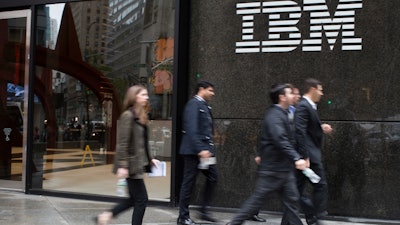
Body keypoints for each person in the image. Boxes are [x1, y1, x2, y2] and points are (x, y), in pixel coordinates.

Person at [226, 84, 307, 225]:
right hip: (273, 170)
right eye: (289, 93)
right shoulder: (274, 115)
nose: (293, 96)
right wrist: (296, 157)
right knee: (256, 201)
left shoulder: (283, 113)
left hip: (283, 169)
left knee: (292, 203)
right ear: (282, 97)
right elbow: (279, 139)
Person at [95, 85, 159, 225]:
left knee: (133, 199)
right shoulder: (127, 116)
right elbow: (122, 143)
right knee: (142, 200)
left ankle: (106, 216)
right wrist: (123, 166)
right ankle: (107, 216)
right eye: (143, 95)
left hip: (138, 164)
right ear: (134, 97)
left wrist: (151, 158)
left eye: (146, 95)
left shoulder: (141, 115)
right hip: (130, 164)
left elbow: (144, 140)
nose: (147, 97)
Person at [177, 81, 218, 225]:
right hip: (194, 152)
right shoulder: (193, 104)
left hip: (205, 152)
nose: (212, 94)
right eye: (210, 90)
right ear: (201, 89)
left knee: (213, 177)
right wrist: (201, 149)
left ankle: (203, 211)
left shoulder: (204, 105)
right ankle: (183, 217)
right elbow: (191, 128)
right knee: (188, 182)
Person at [294, 78, 332, 225]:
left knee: (298, 189)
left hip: (309, 155)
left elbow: (307, 129)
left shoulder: (308, 106)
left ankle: (310, 217)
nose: (322, 93)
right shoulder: (304, 106)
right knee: (320, 185)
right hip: (309, 156)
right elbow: (300, 132)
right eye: (320, 90)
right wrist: (305, 156)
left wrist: (320, 128)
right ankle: (314, 215)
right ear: (312, 89)